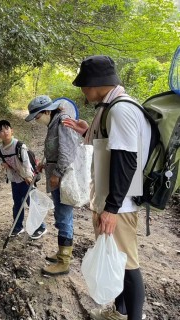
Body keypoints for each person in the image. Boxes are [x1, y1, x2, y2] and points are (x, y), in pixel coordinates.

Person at [63, 55, 151, 320]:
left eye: (84, 85)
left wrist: (111, 209)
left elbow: (126, 161)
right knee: (118, 260)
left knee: (128, 262)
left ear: (96, 83)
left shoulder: (122, 110)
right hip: (110, 199)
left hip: (120, 203)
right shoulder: (108, 106)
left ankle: (133, 316)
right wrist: (85, 130)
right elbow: (110, 148)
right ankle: (120, 310)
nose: (82, 90)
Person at [25, 95, 79, 276]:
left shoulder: (62, 121)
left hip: (62, 178)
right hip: (55, 173)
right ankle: (61, 253)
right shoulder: (53, 122)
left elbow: (67, 152)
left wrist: (56, 174)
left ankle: (64, 262)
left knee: (64, 216)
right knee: (60, 214)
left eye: (37, 117)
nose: (37, 121)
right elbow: (54, 148)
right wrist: (44, 163)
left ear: (47, 111)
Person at [0, 120, 47, 238]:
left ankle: (41, 226)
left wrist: (28, 176)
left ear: (12, 130)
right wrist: (3, 164)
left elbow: (27, 162)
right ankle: (18, 226)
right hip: (14, 180)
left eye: (7, 129)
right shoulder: (0, 148)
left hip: (26, 179)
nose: (5, 132)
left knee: (32, 203)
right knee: (17, 203)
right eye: (1, 131)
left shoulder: (19, 146)